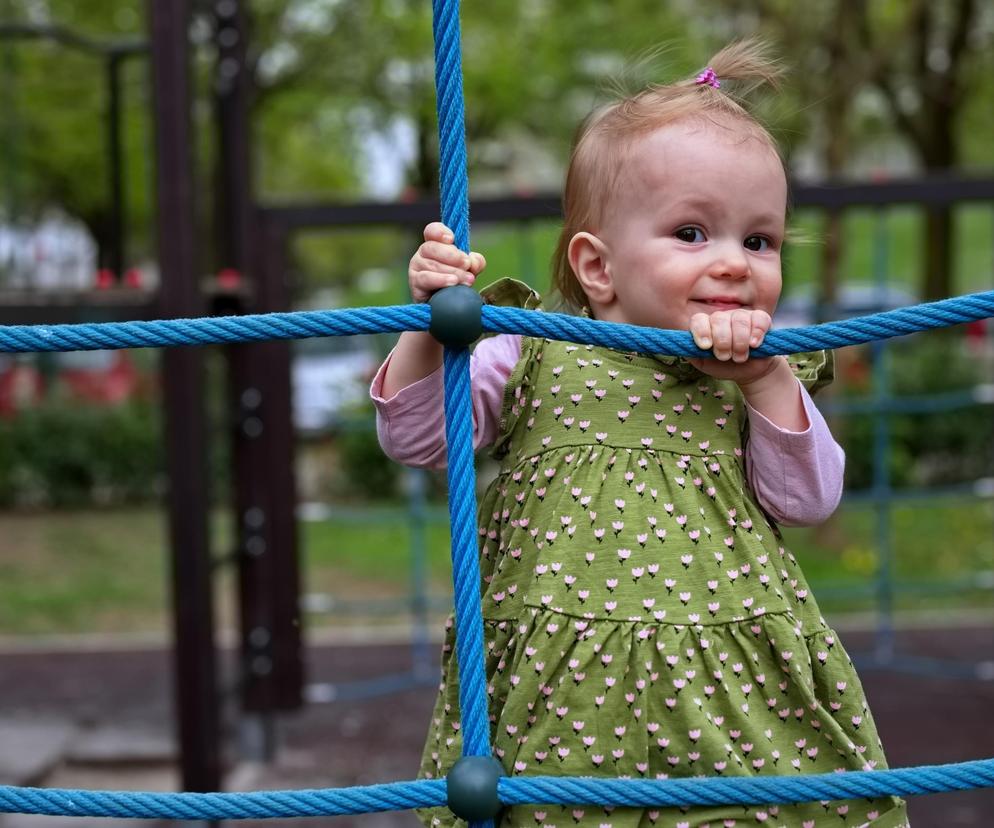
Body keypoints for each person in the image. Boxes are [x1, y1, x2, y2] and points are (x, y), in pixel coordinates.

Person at [371, 40, 908, 828]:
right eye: (693, 233)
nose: (734, 263)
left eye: (758, 240)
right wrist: (428, 329)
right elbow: (419, 438)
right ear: (598, 268)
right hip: (564, 690)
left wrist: (766, 382)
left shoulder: (760, 372)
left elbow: (809, 498)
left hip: (728, 685)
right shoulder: (532, 349)